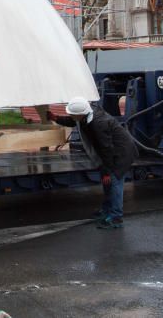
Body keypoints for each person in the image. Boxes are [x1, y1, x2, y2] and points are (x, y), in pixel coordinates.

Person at [48, 97, 137, 229]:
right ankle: (107, 210)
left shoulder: (98, 123)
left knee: (114, 183)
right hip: (110, 153)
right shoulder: (86, 114)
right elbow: (73, 121)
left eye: (72, 114)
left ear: (80, 114)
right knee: (107, 183)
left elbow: (106, 149)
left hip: (120, 153)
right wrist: (56, 118)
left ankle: (116, 217)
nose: (70, 115)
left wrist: (106, 171)